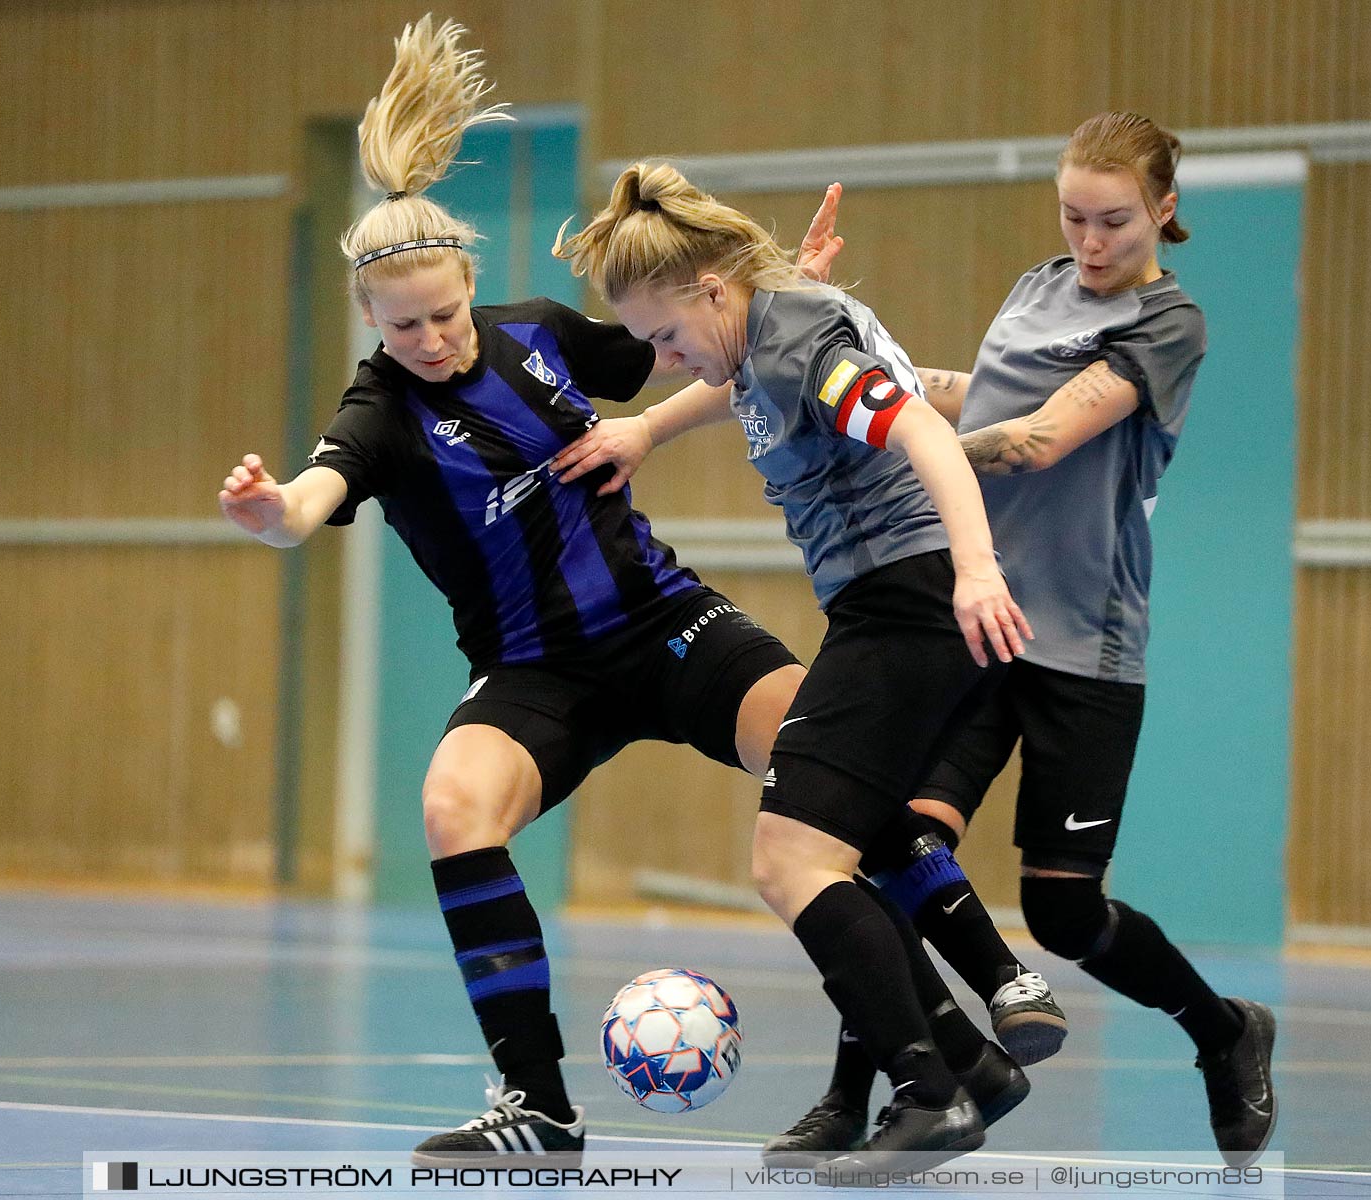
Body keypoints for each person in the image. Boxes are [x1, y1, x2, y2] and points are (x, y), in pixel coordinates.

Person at [217, 16, 1023, 1168]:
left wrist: (774, 298)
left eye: (446, 314)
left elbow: (684, 349)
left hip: (662, 623)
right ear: (370, 322)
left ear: (471, 288)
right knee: (454, 809)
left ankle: (965, 1031)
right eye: (405, 327)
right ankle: (538, 1106)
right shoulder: (381, 412)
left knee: (824, 777)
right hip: (537, 669)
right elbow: (312, 496)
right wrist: (267, 512)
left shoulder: (540, 337)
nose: (434, 340)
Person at [779, 112, 1276, 1167]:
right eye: (1072, 216)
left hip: (1082, 648)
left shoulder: (1166, 322)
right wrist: (863, 366)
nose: (1089, 240)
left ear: (1161, 212)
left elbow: (1043, 436)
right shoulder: (1035, 284)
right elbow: (975, 394)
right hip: (976, 624)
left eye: (1113, 221)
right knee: (886, 844)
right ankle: (862, 1095)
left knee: (1061, 910)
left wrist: (910, 445)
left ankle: (1223, 1032)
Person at [555, 161, 1038, 1169]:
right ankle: (965, 1068)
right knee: (840, 847)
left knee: (790, 859)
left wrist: (975, 568)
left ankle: (929, 1093)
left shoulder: (798, 342)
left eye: (665, 335)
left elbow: (916, 430)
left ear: (715, 290)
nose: (664, 355)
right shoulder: (768, 333)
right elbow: (735, 380)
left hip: (906, 602)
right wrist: (645, 425)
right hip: (885, 604)